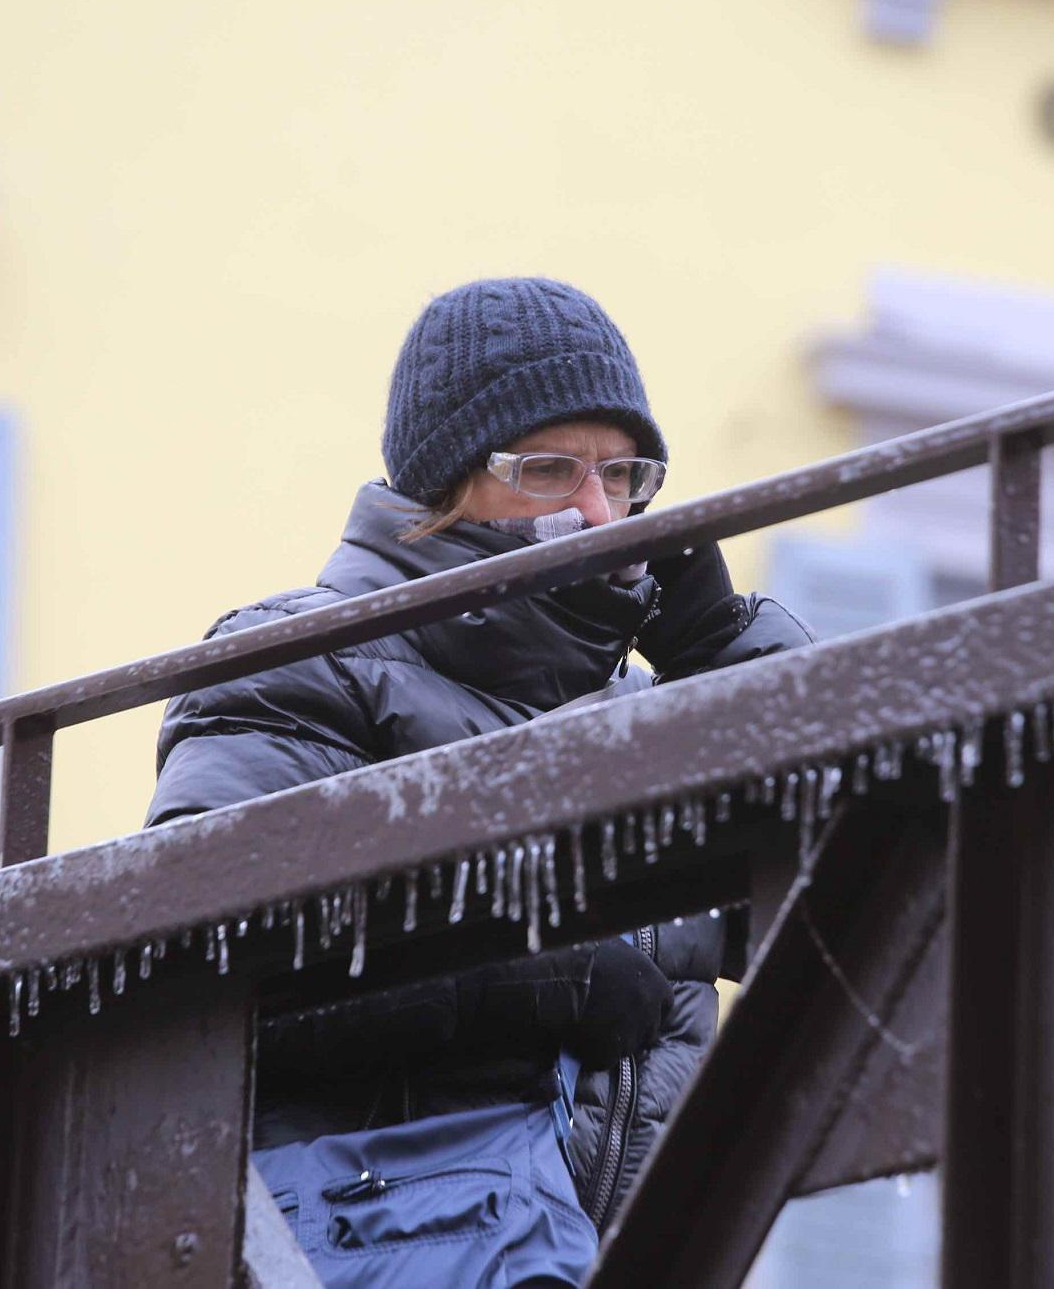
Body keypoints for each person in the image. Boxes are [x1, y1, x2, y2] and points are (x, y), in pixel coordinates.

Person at [145, 277, 812, 1285]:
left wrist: (728, 651)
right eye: (547, 470)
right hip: (362, 1246)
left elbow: (863, 895)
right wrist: (510, 975)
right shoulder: (299, 659)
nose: (596, 512)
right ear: (442, 486)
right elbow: (201, 966)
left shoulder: (657, 716)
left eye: (622, 474)